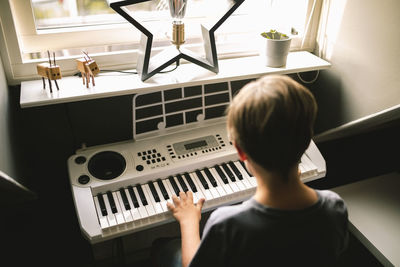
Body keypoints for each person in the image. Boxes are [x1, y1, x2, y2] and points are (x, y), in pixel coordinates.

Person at [152, 74, 348, 267]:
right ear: (306, 142)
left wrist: (189, 220)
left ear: (240, 151)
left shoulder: (226, 224)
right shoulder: (334, 207)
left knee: (167, 249)